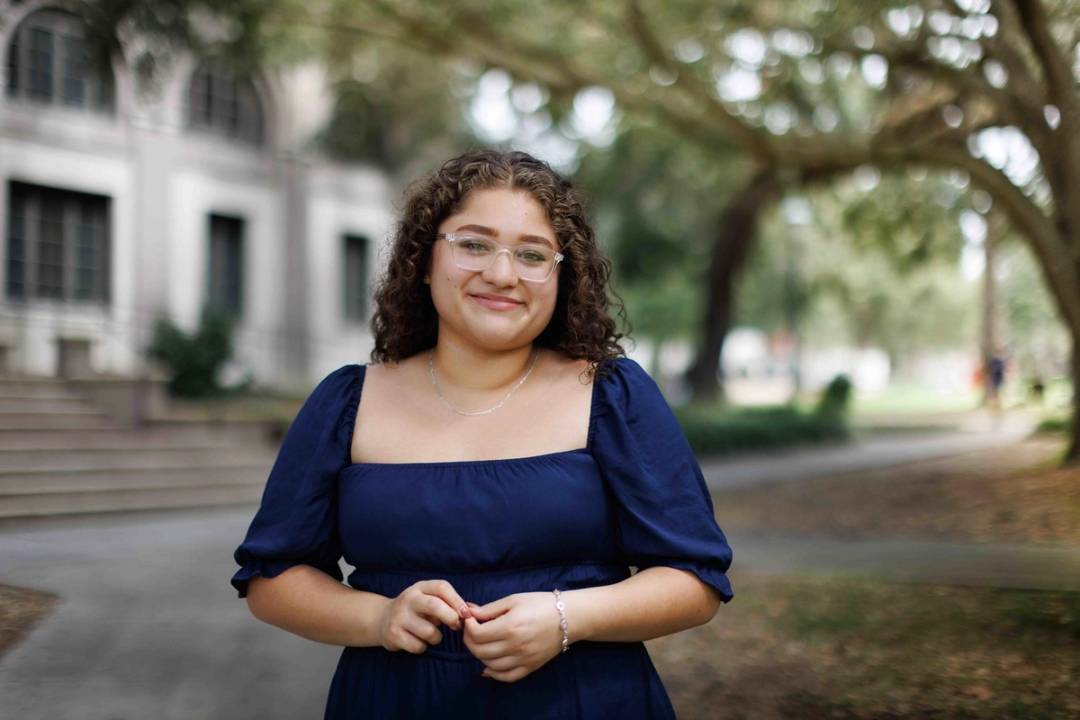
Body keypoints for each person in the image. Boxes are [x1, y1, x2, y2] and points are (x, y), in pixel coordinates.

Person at [230, 148, 734, 719]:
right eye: (473, 244)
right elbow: (272, 579)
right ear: (423, 259)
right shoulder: (348, 402)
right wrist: (377, 618)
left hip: (582, 701)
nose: (501, 273)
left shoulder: (612, 395)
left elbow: (696, 581)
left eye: (532, 254)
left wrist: (567, 618)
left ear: (561, 277)